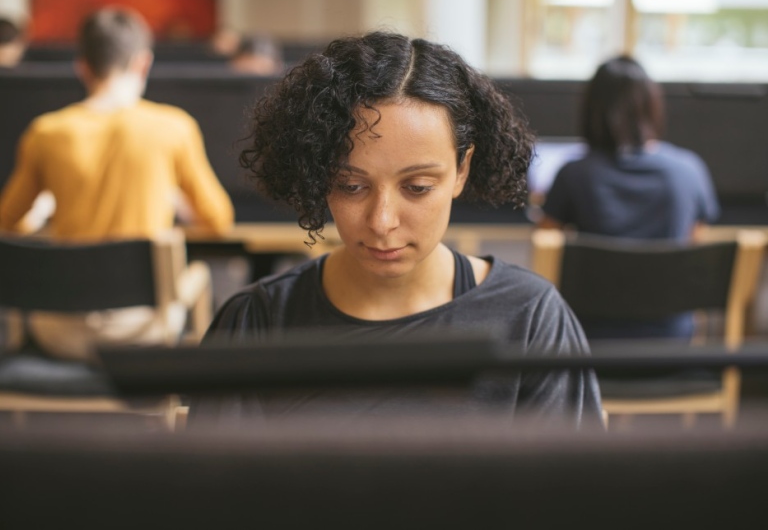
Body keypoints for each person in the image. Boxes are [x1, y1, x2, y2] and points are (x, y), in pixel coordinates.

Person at [193, 31, 602, 428]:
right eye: (351, 186)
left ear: (461, 170)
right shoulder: (257, 324)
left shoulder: (528, 319)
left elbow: (570, 493)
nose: (382, 221)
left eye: (417, 188)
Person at [0, 7, 234, 359]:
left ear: (83, 66)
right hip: (143, 330)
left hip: (60, 331)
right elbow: (219, 222)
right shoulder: (172, 127)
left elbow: (7, 223)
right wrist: (176, 204)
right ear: (143, 63)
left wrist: (41, 211)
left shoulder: (45, 132)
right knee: (197, 274)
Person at [538, 55, 720, 339]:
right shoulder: (689, 170)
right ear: (652, 106)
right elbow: (693, 258)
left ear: (591, 109)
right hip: (671, 342)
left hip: (588, 343)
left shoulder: (573, 174)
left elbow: (545, 258)